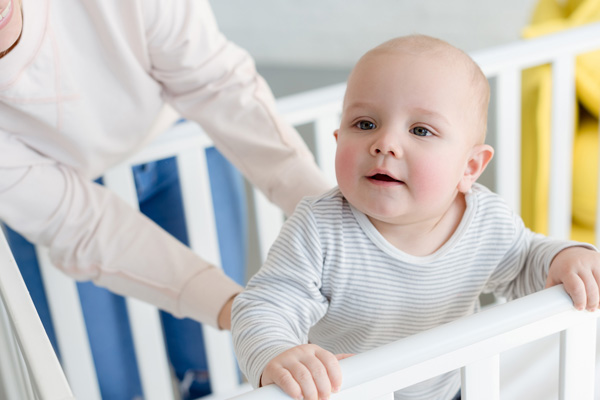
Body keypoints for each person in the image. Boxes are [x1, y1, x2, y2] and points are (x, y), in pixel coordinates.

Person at [231, 34, 600, 400]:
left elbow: (526, 262)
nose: (385, 143)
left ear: (469, 167)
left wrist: (565, 257)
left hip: (452, 387)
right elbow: (265, 306)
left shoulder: (484, 221)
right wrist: (276, 353)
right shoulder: (320, 229)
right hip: (349, 392)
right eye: (364, 124)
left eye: (420, 130)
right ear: (337, 136)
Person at [0, 0, 331, 398]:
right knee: (105, 385)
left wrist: (344, 230)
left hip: (177, 139)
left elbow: (221, 87)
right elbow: (84, 226)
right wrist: (244, 313)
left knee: (216, 365)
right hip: (49, 205)